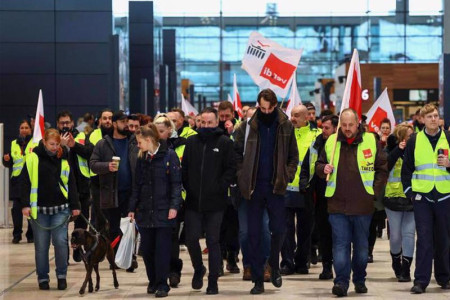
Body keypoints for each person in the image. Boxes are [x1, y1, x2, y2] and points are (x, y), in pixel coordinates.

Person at [316, 108, 388, 297]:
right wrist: (323, 168)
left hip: (363, 205)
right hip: (337, 205)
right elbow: (318, 165)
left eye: (351, 125)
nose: (347, 129)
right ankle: (341, 282)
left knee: (362, 248)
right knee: (340, 246)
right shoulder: (331, 141)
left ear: (358, 124)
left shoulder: (371, 141)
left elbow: (382, 168)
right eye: (344, 125)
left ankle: (360, 279)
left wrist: (374, 192)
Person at [234, 88, 299, 294]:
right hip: (253, 188)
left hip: (276, 187)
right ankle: (257, 279)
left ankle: (274, 264)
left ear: (275, 105)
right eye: (263, 108)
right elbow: (235, 155)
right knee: (253, 234)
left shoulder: (285, 125)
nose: (267, 111)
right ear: (258, 105)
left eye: (270, 108)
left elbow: (293, 156)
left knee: (279, 229)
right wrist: (241, 176)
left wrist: (286, 175)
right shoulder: (247, 127)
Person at [182, 107, 236, 295]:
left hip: (216, 202)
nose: (205, 126)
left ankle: (213, 280)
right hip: (193, 201)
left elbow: (231, 169)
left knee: (213, 241)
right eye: (202, 122)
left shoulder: (224, 143)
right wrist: (188, 187)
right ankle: (199, 269)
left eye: (209, 122)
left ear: (216, 122)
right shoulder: (191, 142)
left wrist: (220, 186)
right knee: (191, 239)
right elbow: (185, 168)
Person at [20, 129, 80, 290]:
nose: (54, 147)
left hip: (61, 209)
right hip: (39, 210)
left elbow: (71, 182)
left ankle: (62, 275)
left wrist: (75, 205)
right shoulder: (33, 157)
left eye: (57, 144)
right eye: (52, 144)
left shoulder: (64, 157)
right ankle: (43, 278)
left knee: (61, 242)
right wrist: (25, 204)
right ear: (44, 142)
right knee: (41, 246)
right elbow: (25, 182)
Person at [128, 124, 182, 297]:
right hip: (144, 211)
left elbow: (176, 184)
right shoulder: (141, 158)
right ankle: (153, 280)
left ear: (149, 140)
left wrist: (174, 206)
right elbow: (136, 185)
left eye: (139, 142)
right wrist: (132, 208)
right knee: (147, 249)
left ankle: (162, 284)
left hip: (164, 211)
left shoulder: (169, 156)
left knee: (162, 251)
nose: (138, 145)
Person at [401, 104, 450, 294]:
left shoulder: (448, 138)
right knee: (424, 240)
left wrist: (448, 164)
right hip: (422, 197)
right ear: (422, 119)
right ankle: (421, 280)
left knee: (444, 239)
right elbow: (407, 170)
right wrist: (410, 193)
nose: (433, 119)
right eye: (429, 116)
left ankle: (444, 277)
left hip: (445, 196)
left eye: (436, 116)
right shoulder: (414, 140)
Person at [90, 111, 138, 255]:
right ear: (115, 124)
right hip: (111, 193)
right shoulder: (103, 144)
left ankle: (129, 257)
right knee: (114, 227)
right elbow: (92, 164)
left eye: (127, 122)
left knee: (130, 226)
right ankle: (115, 256)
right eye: (123, 122)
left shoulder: (135, 142)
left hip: (131, 192)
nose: (127, 125)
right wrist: (106, 166)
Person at [280, 105, 320, 275]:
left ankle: (302, 261)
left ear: (306, 117)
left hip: (306, 190)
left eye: (296, 115)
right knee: (285, 229)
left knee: (305, 229)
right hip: (286, 189)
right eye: (291, 115)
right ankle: (287, 262)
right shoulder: (284, 134)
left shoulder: (316, 136)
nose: (293, 118)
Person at [300, 114, 338, 280]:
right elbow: (307, 165)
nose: (323, 130)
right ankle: (327, 266)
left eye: (327, 128)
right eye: (323, 127)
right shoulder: (316, 145)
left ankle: (340, 266)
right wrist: (304, 183)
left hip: (338, 197)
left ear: (336, 129)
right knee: (324, 233)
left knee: (339, 235)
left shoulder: (340, 146)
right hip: (320, 197)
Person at [153, 114, 187, 288]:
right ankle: (158, 275)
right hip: (153, 202)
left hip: (174, 200)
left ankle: (173, 271)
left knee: (172, 238)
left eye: (161, 130)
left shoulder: (181, 146)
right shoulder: (145, 148)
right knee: (154, 241)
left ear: (169, 130)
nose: (158, 134)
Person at [55, 111, 92, 262]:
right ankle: (63, 253)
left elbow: (90, 152)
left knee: (81, 222)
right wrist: (62, 147)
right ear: (58, 124)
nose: (65, 126)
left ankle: (78, 248)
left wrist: (73, 145)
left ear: (72, 123)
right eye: (62, 123)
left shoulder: (81, 136)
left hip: (81, 187)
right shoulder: (53, 139)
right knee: (61, 224)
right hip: (61, 189)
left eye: (67, 122)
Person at [383, 122, 415, 282]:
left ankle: (406, 269)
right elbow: (385, 166)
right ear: (401, 137)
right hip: (393, 199)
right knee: (395, 236)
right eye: (410, 136)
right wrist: (398, 150)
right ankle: (396, 261)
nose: (413, 138)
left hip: (412, 198)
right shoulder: (390, 150)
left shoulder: (417, 151)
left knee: (409, 234)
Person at [2, 119, 36, 243]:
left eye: (26, 127)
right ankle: (17, 234)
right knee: (16, 210)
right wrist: (5, 159)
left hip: (31, 181)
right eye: (22, 128)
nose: (24, 130)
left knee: (31, 210)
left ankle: (31, 235)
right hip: (17, 181)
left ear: (31, 130)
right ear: (19, 130)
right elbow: (9, 162)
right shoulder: (13, 143)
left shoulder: (35, 142)